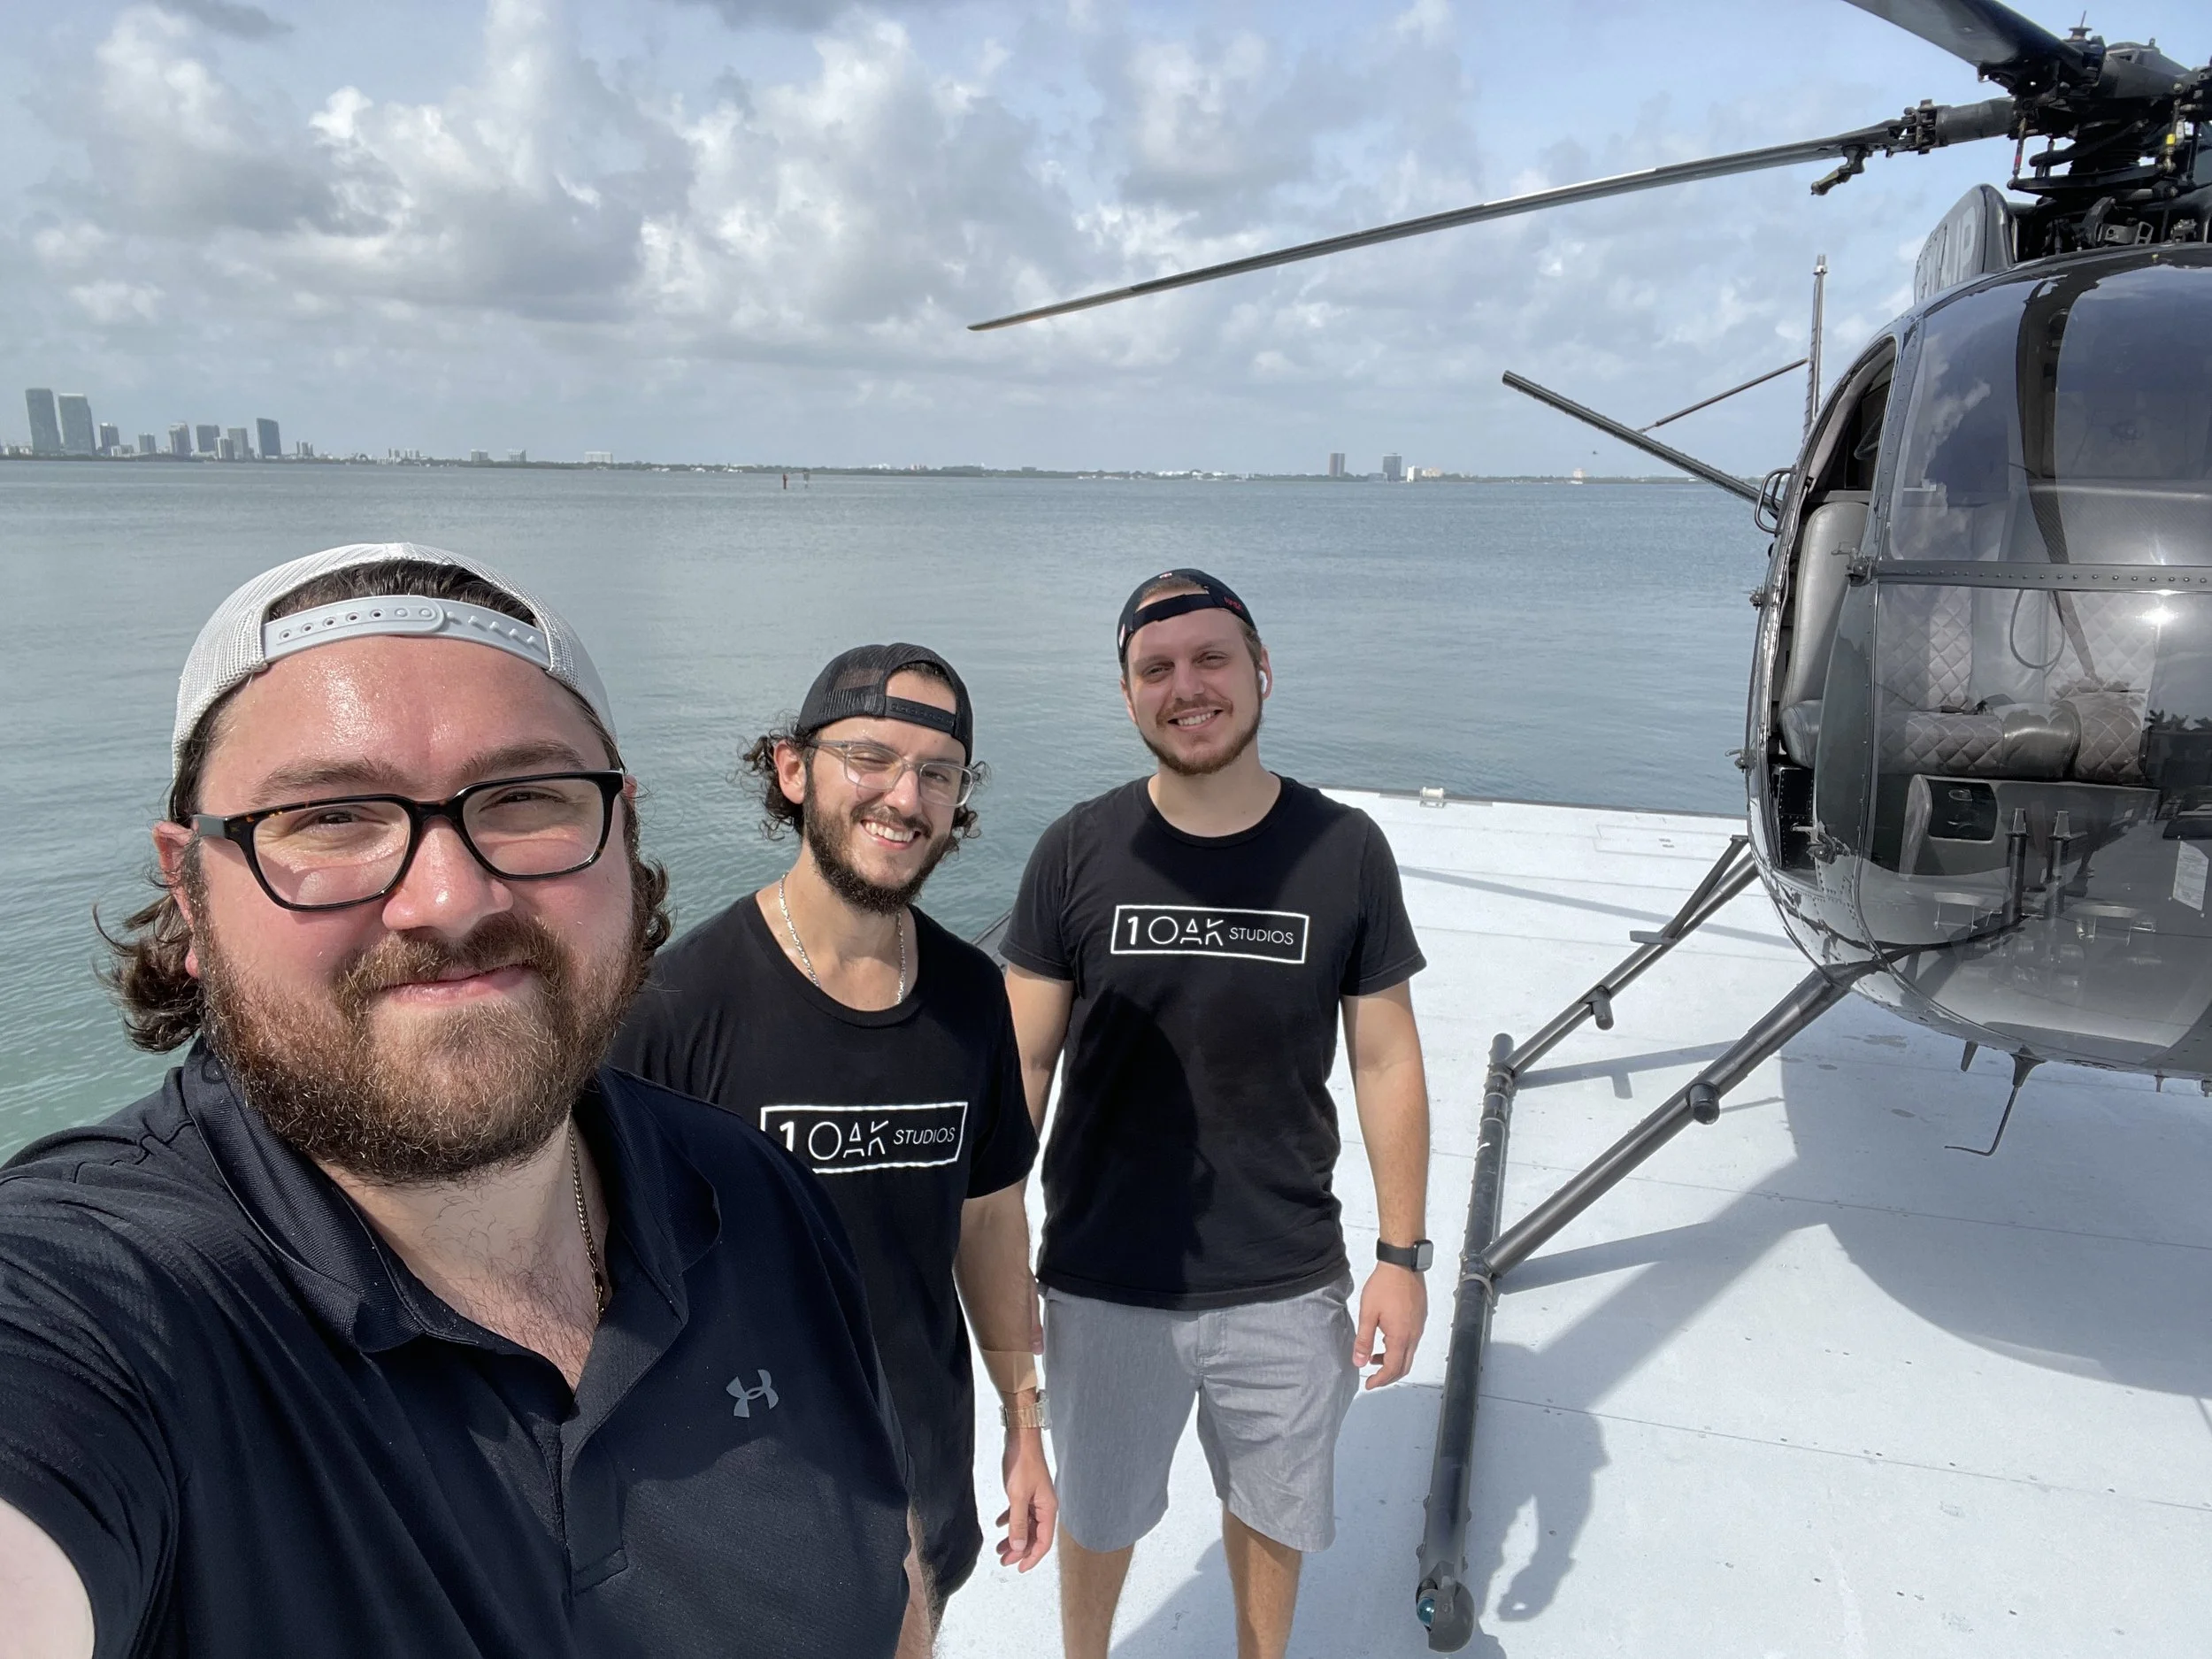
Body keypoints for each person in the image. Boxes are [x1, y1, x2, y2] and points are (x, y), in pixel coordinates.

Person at [0, 545, 930, 1659]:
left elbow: (889, 1580)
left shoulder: (758, 1198)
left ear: (625, 838)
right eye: (332, 818)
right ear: (189, 890)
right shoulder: (106, 1295)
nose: (447, 899)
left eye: (529, 797)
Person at [1001, 568, 1434, 1659]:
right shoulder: (1076, 850)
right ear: (1127, 695)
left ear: (1260, 673)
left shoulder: (1343, 851)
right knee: (1100, 1518)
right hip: (1103, 1278)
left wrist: (1400, 1255)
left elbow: (1384, 1058)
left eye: (1210, 660)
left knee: (1272, 1515)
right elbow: (1023, 1063)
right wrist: (993, 1246)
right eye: (1156, 669)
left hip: (1286, 1275)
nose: (1185, 686)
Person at [613, 643, 1053, 1620]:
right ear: (792, 767)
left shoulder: (972, 998)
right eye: (870, 757)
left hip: (924, 1467)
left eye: (937, 773)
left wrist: (1026, 1426)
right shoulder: (677, 1007)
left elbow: (988, 1226)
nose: (905, 797)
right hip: (739, 1494)